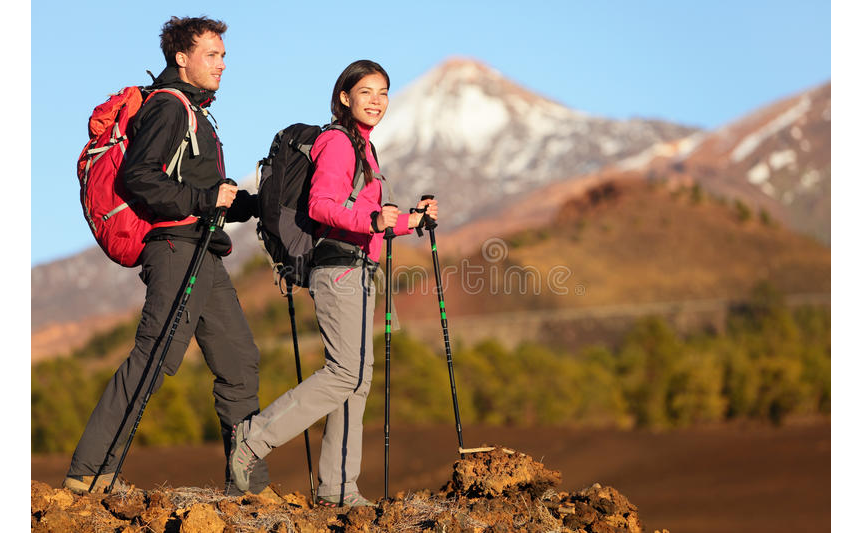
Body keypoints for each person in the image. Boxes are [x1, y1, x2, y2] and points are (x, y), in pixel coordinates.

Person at [63, 16, 272, 497]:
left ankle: (249, 487)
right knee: (155, 355)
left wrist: (260, 203)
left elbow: (208, 194)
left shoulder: (197, 113)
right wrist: (206, 201)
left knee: (239, 362)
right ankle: (88, 473)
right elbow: (141, 178)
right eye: (212, 54)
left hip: (205, 252)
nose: (223, 63)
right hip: (177, 250)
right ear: (182, 58)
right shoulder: (169, 107)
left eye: (224, 55)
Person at [228, 60, 438, 506]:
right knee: (345, 372)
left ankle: (339, 489)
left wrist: (411, 222)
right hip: (340, 270)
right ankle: (253, 439)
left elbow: (368, 222)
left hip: (361, 268)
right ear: (345, 97)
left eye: (383, 92)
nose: (377, 100)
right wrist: (372, 217)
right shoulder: (339, 143)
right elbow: (323, 206)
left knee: (356, 381)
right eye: (366, 92)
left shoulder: (366, 150)